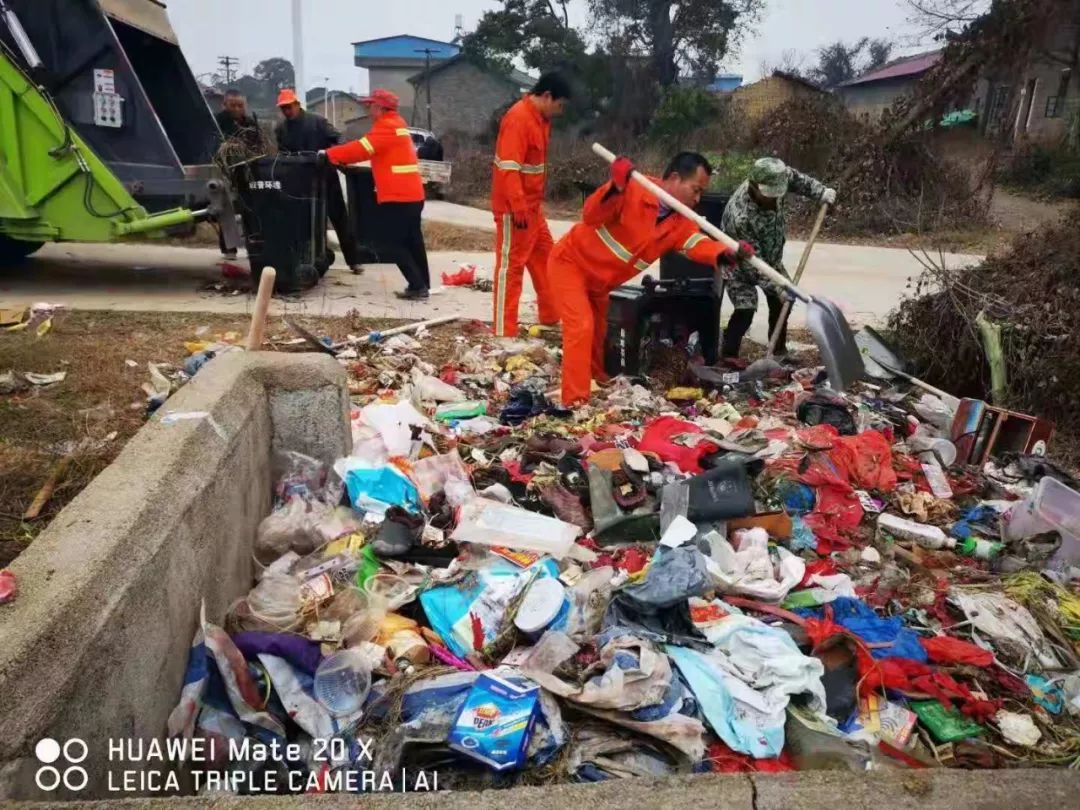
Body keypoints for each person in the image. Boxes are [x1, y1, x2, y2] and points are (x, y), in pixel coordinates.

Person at [548, 152, 753, 406]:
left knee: (598, 332)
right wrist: (616, 186)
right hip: (571, 265)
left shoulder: (680, 221)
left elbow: (695, 243)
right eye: (696, 189)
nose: (698, 198)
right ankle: (575, 401)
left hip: (600, 282)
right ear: (675, 178)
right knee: (581, 326)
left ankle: (595, 380)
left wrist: (724, 253)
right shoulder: (633, 189)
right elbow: (591, 214)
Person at [720, 157, 836, 361]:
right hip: (740, 264)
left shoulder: (776, 177)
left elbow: (797, 180)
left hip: (770, 259)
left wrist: (820, 192)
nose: (774, 199)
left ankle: (778, 351)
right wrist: (778, 287)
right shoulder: (740, 217)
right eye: (769, 196)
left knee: (783, 303)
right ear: (755, 187)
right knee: (745, 309)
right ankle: (728, 355)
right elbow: (753, 264)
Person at [324, 89, 430, 299]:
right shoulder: (398, 123)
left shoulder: (387, 127)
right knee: (412, 241)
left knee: (392, 242)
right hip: (411, 194)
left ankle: (417, 286)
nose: (368, 108)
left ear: (380, 107)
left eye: (370, 105)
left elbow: (360, 149)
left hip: (398, 195)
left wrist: (328, 154)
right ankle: (422, 284)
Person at [490, 72, 571, 337]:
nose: (561, 112)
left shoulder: (541, 120)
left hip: (533, 209)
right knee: (511, 269)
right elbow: (509, 168)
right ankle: (504, 333)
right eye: (560, 105)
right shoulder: (518, 119)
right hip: (516, 210)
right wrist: (518, 206)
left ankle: (550, 317)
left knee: (548, 261)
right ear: (547, 96)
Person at [273, 88, 363, 273]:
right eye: (283, 108)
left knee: (339, 218)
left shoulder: (318, 122)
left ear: (297, 104)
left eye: (289, 107)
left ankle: (354, 260)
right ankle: (314, 257)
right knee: (307, 220)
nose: (287, 111)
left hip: (325, 176)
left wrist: (332, 155)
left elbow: (339, 138)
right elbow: (282, 153)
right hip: (299, 181)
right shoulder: (281, 128)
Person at [214, 90, 264, 258]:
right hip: (224, 171)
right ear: (224, 105)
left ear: (245, 106)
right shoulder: (216, 121)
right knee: (225, 208)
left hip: (246, 170)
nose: (236, 109)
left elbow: (258, 146)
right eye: (232, 105)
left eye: (240, 105)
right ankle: (229, 249)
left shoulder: (251, 123)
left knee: (251, 207)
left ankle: (254, 246)